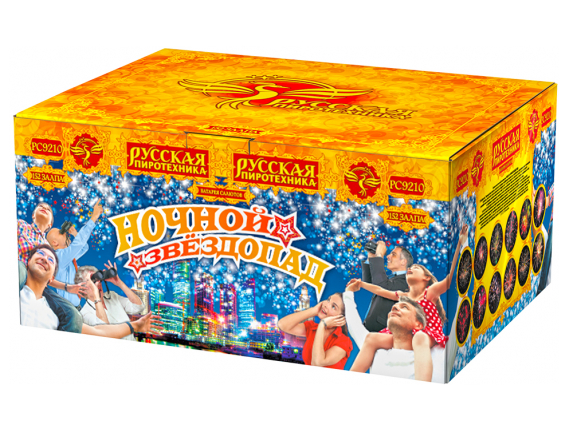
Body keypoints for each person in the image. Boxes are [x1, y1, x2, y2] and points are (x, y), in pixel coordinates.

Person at [347, 224, 469, 381]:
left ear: (426, 277)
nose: (411, 268)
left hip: (426, 333)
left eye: (416, 268)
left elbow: (449, 279)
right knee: (372, 338)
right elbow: (380, 290)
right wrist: (361, 284)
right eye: (411, 268)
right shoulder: (403, 296)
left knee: (419, 337)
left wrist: (460, 244)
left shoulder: (429, 293)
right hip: (408, 333)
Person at [20, 244, 161, 338]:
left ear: (52, 278)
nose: (44, 259)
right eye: (40, 253)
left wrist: (119, 283)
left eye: (50, 259)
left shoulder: (60, 314)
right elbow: (105, 329)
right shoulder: (85, 312)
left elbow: (139, 307)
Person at [343, 291, 444, 381]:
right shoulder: (373, 347)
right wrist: (348, 293)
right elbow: (354, 324)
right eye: (393, 308)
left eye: (404, 307)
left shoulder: (436, 350)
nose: (394, 308)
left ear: (418, 324)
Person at [17, 202, 83, 333]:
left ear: (50, 224)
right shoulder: (21, 225)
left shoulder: (48, 247)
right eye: (40, 206)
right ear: (33, 215)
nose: (44, 208)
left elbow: (49, 277)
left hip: (39, 283)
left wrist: (67, 287)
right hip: (21, 270)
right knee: (19, 269)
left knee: (73, 316)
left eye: (48, 209)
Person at [46, 198, 103, 309]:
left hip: (74, 307)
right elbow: (79, 243)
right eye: (60, 233)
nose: (64, 233)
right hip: (67, 308)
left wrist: (75, 233)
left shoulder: (67, 258)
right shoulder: (59, 257)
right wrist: (94, 217)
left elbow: (84, 248)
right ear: (55, 243)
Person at [278, 293, 353, 370]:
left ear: (341, 318)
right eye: (328, 300)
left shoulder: (344, 342)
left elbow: (317, 363)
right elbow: (283, 325)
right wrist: (314, 310)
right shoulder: (312, 328)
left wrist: (322, 325)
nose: (326, 305)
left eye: (333, 307)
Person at [77, 262, 145, 341]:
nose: (98, 283)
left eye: (98, 279)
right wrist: (96, 295)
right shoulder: (84, 314)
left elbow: (139, 307)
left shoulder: (112, 296)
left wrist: (119, 283)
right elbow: (105, 332)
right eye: (92, 281)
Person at [361, 243, 412, 332]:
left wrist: (379, 255)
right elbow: (370, 283)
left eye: (393, 254)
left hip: (382, 332)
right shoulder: (391, 278)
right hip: (370, 329)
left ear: (403, 262)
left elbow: (381, 286)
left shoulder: (406, 282)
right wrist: (371, 257)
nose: (388, 256)